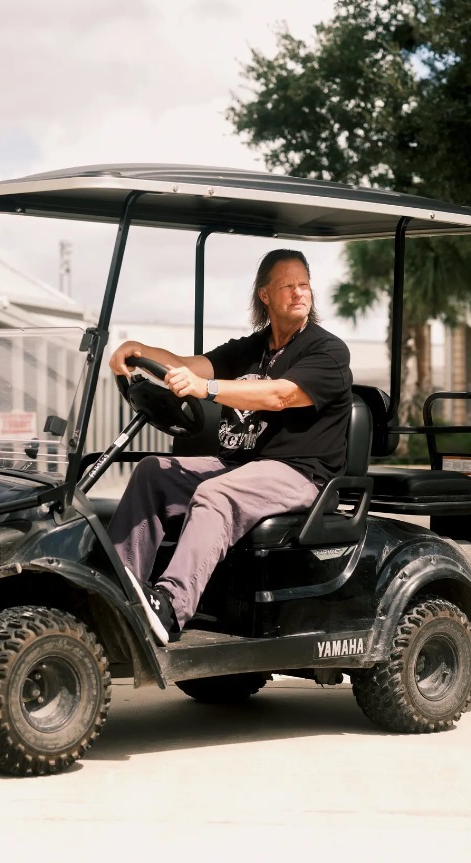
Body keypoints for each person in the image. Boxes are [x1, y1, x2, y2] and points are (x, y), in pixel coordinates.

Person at [107, 249, 353, 645]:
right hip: (241, 466)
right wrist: (138, 351)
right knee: (153, 471)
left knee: (215, 493)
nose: (299, 292)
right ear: (265, 296)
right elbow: (188, 364)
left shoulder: (327, 351)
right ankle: (119, 592)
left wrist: (208, 389)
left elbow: (280, 395)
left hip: (300, 474)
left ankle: (170, 606)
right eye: (287, 285)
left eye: (304, 284)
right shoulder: (252, 348)